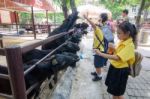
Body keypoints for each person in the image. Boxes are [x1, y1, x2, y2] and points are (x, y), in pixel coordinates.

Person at [94, 21, 137, 99]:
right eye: (117, 33)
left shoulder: (130, 45)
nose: (117, 35)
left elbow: (117, 57)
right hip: (115, 68)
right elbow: (117, 53)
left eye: (119, 33)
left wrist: (101, 54)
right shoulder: (122, 41)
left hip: (121, 71)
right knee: (115, 92)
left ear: (127, 33)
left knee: (117, 93)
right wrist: (113, 48)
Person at [84, 14, 107, 81]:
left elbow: (93, 24)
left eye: (99, 18)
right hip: (99, 49)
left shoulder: (98, 29)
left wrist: (86, 18)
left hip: (99, 50)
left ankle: (99, 76)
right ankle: (97, 72)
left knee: (97, 64)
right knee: (96, 63)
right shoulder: (101, 28)